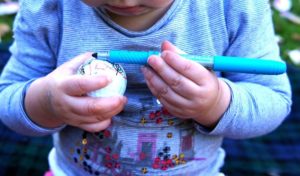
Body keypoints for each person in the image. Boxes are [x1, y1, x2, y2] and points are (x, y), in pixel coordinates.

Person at [0, 0, 292, 175]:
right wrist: (46, 102)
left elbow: (273, 100)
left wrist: (217, 103)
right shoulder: (47, 9)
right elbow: (9, 98)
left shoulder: (232, 7)